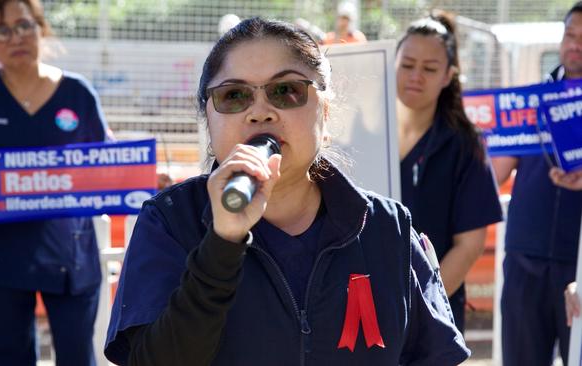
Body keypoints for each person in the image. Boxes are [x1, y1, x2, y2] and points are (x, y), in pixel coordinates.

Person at [104, 17, 469, 366]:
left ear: (324, 113)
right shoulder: (169, 222)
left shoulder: (386, 228)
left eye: (286, 91)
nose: (260, 112)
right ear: (208, 121)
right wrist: (221, 243)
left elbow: (434, 355)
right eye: (234, 96)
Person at [0, 0, 110, 364]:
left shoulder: (78, 94)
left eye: (24, 25)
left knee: (77, 357)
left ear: (41, 29)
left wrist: (148, 178)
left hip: (70, 254)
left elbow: (108, 164)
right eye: (2, 30)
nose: (16, 37)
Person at [395, 13, 503, 333]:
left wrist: (421, 304)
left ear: (448, 76)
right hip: (359, 313)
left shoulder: (465, 145)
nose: (416, 76)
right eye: (407, 64)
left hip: (430, 317)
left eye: (429, 69)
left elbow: (469, 246)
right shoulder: (357, 133)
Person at [492, 3, 582, 365]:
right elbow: (493, 173)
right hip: (525, 260)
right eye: (571, 36)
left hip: (578, 266)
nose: (575, 45)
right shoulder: (531, 101)